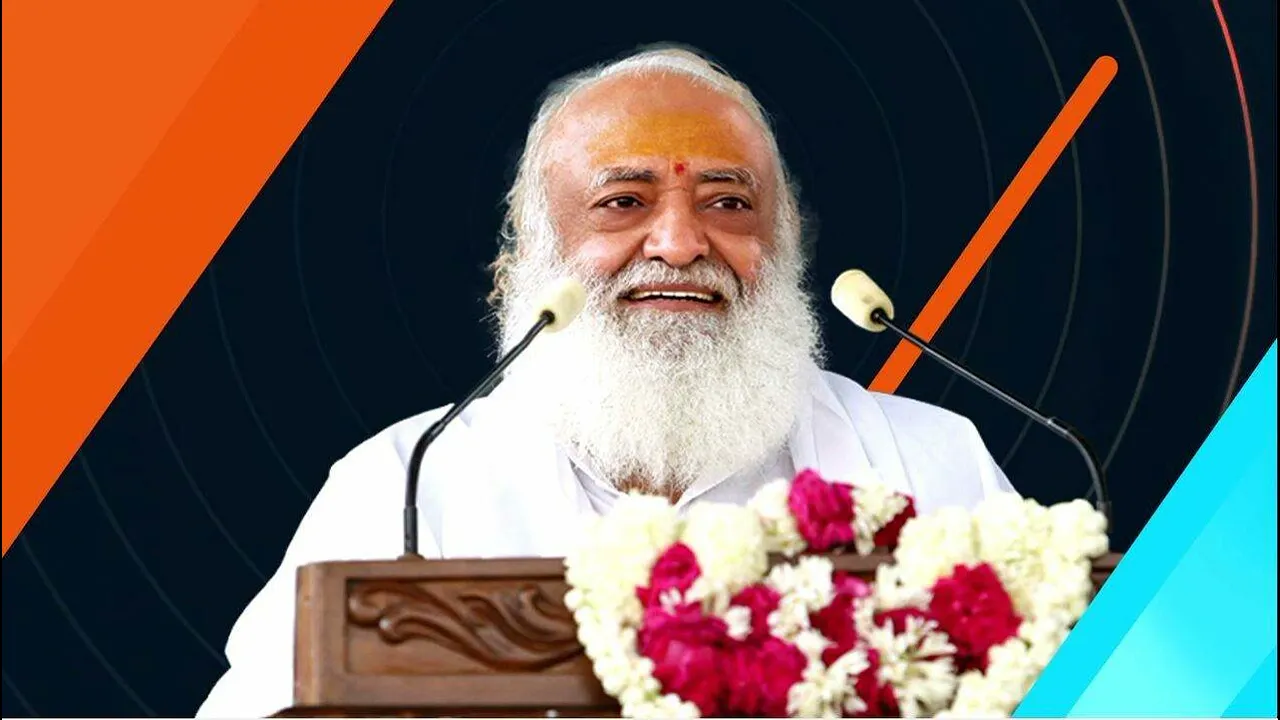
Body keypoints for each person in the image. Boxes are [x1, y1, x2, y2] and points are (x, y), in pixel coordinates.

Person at [196, 44, 1016, 718]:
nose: (680, 242)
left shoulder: (932, 461)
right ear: (532, 254)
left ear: (782, 246)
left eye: (729, 204)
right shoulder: (408, 481)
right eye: (623, 201)